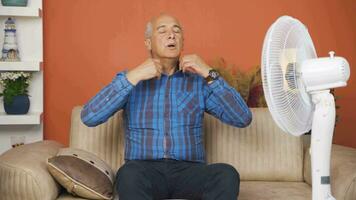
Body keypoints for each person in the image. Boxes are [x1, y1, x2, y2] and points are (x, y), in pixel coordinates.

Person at [81, 13, 252, 200]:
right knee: (128, 175)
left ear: (182, 42)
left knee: (226, 174)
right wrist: (133, 76)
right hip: (143, 170)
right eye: (162, 31)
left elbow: (243, 118)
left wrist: (209, 73)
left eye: (176, 31)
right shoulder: (131, 80)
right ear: (148, 43)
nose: (171, 35)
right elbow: (89, 116)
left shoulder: (198, 83)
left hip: (190, 171)